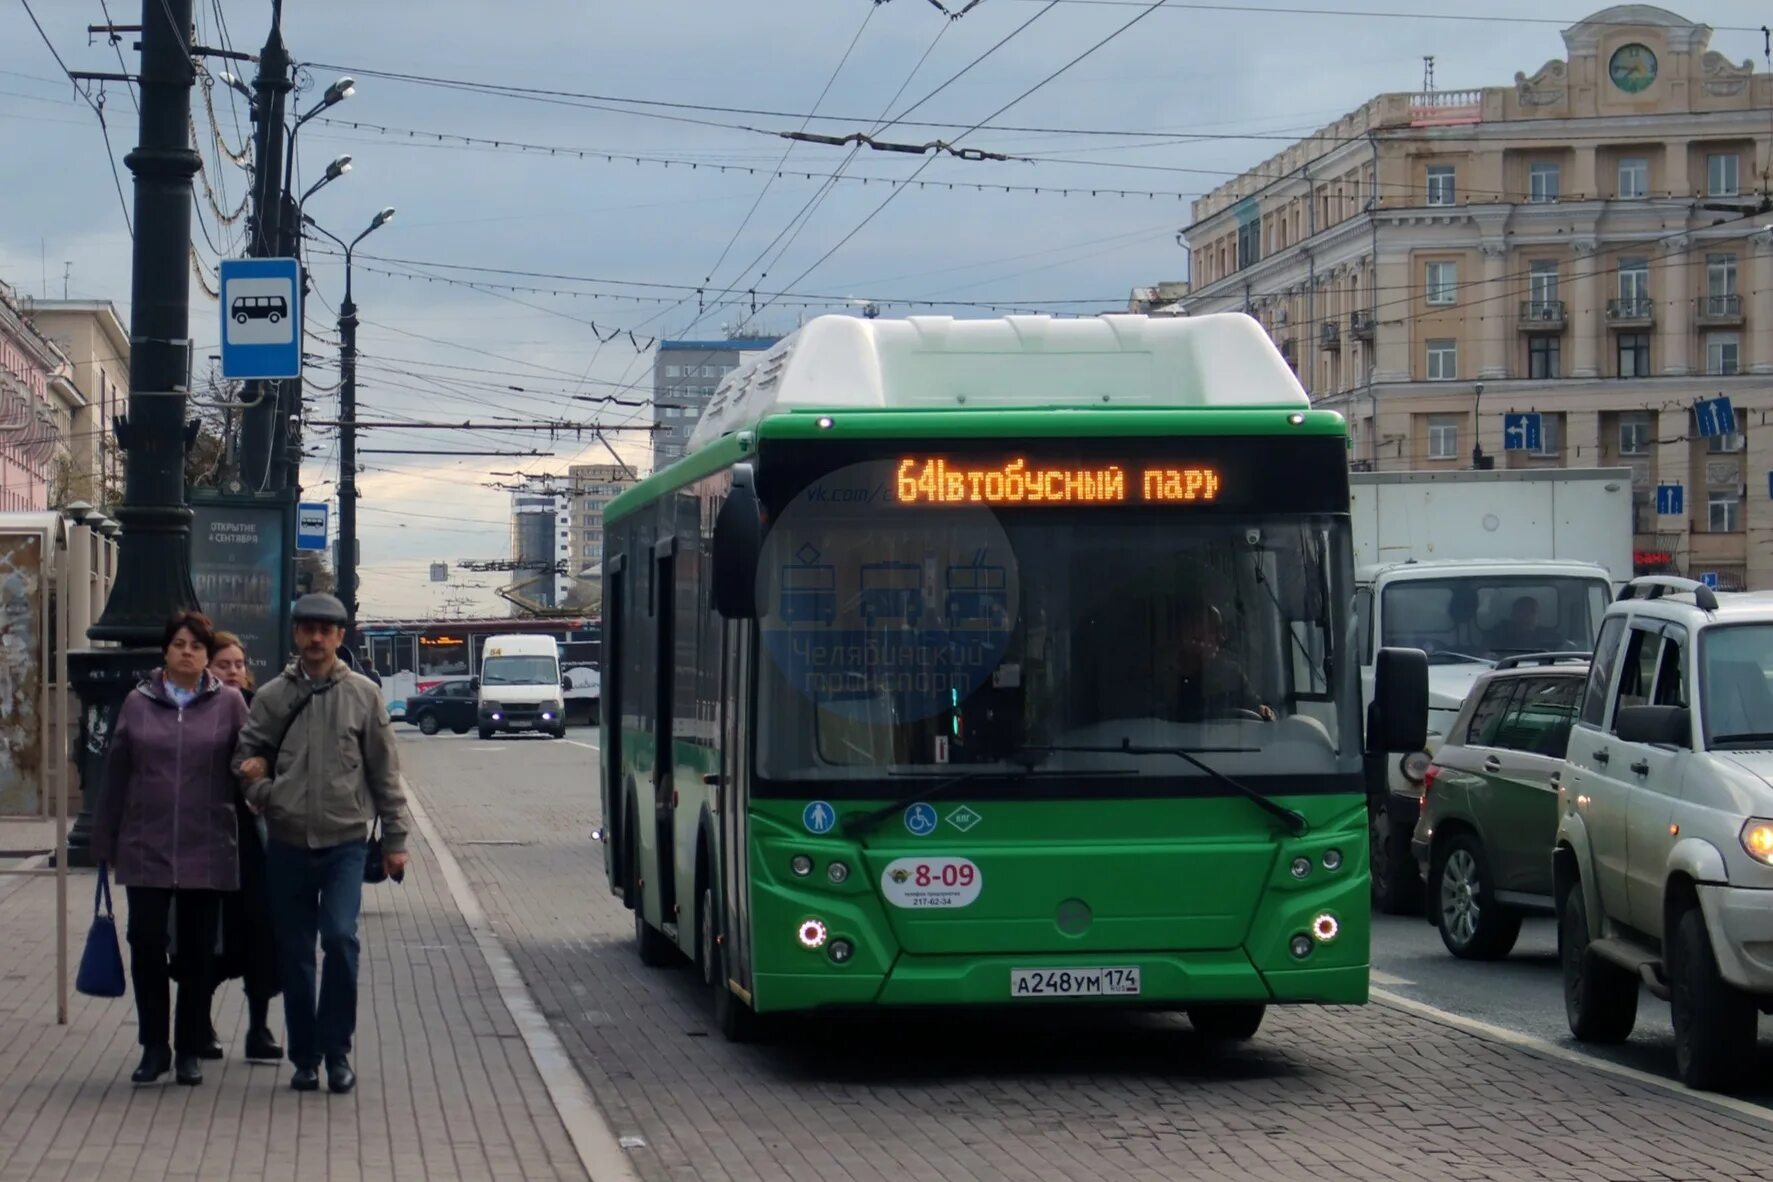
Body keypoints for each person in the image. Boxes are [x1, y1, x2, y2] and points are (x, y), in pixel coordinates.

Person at [233, 593, 409, 1095]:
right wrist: (267, 792)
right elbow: (245, 758)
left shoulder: (364, 695)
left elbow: (385, 772)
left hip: (345, 843)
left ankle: (337, 1052)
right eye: (307, 629)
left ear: (339, 637)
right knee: (294, 954)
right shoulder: (271, 696)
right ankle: (305, 1058)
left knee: (339, 938)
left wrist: (395, 840)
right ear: (295, 634)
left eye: (325, 630)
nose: (315, 639)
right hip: (287, 843)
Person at [93, 611, 249, 1087]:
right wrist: (105, 838)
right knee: (144, 942)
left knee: (198, 954)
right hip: (146, 844)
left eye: (196, 646)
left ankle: (188, 1050)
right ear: (166, 651)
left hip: (207, 845)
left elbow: (247, 763)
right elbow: (116, 772)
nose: (187, 652)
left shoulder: (228, 704)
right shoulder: (137, 703)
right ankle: (154, 1046)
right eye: (179, 644)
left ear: (206, 655)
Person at [203, 632, 283, 1063]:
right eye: (223, 664)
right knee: (209, 935)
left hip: (253, 838)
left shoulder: (258, 708)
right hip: (209, 836)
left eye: (238, 664)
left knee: (260, 932)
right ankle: (201, 1022)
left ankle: (259, 1027)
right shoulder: (199, 711)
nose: (233, 671)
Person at [1172, 597, 1274, 721]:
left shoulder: (1231, 675)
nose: (1221, 638)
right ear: (1188, 635)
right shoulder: (1165, 677)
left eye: (1219, 631)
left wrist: (1266, 712)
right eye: (1211, 631)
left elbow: (1257, 708)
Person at [1486, 595, 1559, 654]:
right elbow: (1482, 657)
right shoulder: (1497, 635)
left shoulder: (1550, 636)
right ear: (1513, 614)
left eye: (1532, 611)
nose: (1528, 615)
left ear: (1538, 615)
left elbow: (1563, 659)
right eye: (1522, 610)